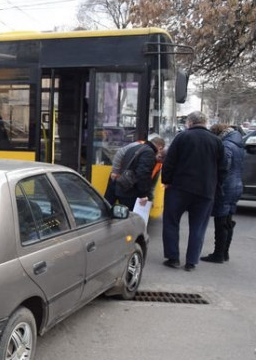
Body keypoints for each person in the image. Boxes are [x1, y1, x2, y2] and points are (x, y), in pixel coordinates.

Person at [161, 111, 226, 271]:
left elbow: (170, 161)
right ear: (205, 122)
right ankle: (191, 262)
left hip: (179, 188)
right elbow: (223, 168)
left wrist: (166, 181)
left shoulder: (181, 137)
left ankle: (173, 258)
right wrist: (216, 186)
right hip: (205, 191)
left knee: (171, 222)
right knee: (198, 226)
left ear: (190, 122)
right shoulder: (217, 141)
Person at [200, 123, 245, 263]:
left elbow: (224, 165)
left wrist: (216, 182)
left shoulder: (226, 145)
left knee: (221, 221)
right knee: (227, 220)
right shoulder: (237, 143)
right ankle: (224, 253)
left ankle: (218, 254)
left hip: (226, 187)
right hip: (237, 185)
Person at [104, 135, 166, 209]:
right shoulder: (148, 153)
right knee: (127, 214)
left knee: (107, 207)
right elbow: (143, 174)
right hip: (128, 188)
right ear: (160, 147)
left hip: (119, 182)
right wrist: (143, 195)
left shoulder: (137, 147)